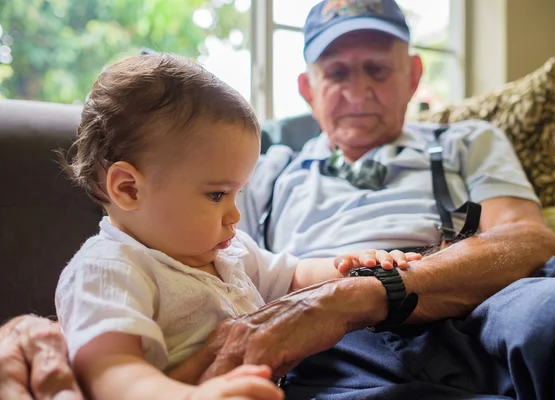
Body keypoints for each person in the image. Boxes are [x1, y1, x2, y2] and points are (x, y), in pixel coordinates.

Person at [1, 0, 555, 399]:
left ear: (415, 75)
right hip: (326, 343)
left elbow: (525, 239)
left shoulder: (468, 140)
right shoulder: (265, 166)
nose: (358, 90)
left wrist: (365, 285)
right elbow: (167, 261)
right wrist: (47, 332)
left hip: (469, 300)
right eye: (336, 73)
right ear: (307, 88)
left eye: (377, 68)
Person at [51, 53, 419, 400]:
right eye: (216, 195)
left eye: (237, 193)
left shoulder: (229, 250)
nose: (235, 215)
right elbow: (110, 372)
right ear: (129, 188)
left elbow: (293, 277)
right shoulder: (108, 270)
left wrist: (352, 266)